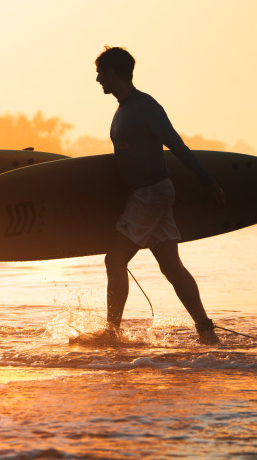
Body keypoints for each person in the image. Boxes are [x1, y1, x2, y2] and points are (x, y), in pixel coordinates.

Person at [94, 47, 226, 345]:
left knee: (114, 260)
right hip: (148, 195)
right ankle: (206, 331)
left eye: (101, 72)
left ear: (114, 72)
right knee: (171, 267)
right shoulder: (123, 108)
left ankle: (112, 333)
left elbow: (176, 145)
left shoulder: (144, 107)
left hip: (151, 194)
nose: (98, 79)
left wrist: (207, 181)